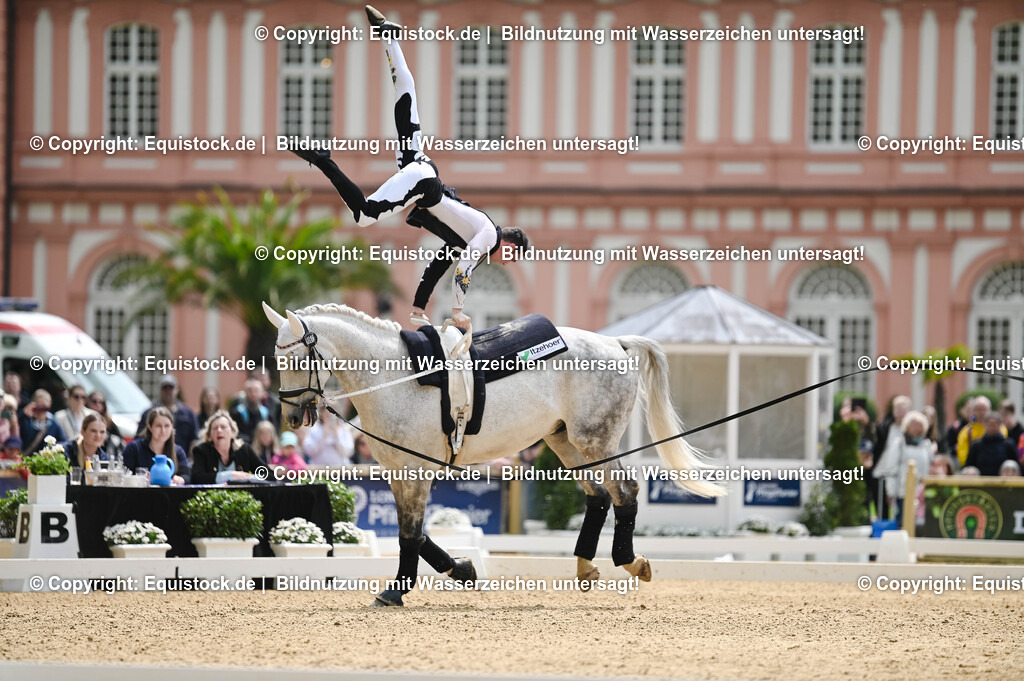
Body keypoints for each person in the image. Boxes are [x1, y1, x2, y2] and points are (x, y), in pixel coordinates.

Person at [292, 5, 530, 330]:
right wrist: (457, 310)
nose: (507, 262)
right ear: (511, 245)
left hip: (422, 170)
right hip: (424, 183)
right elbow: (463, 269)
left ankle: (389, 37)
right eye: (513, 257)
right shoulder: (488, 235)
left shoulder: (468, 238)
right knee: (363, 215)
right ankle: (323, 160)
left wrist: (418, 308)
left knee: (406, 98)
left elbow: (437, 267)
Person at [873, 410, 934, 527]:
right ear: (907, 427)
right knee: (903, 523)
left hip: (922, 493)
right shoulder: (899, 443)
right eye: (915, 425)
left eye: (920, 426)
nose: (918, 429)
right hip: (903, 492)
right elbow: (891, 470)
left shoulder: (926, 445)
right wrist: (890, 492)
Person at [190, 410, 264, 484]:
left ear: (233, 432)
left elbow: (267, 473)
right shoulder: (201, 451)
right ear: (209, 436)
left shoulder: (244, 450)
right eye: (215, 428)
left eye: (223, 427)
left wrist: (249, 477)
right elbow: (196, 478)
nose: (219, 430)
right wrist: (230, 475)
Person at [123, 407, 189, 485]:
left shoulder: (178, 451)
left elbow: (186, 476)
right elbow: (124, 474)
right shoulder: (134, 448)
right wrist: (141, 479)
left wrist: (180, 479)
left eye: (167, 426)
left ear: (172, 427)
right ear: (150, 427)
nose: (163, 430)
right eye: (158, 426)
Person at [136, 375, 198, 454]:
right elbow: (139, 438)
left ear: (177, 390)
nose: (168, 391)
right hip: (155, 456)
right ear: (160, 390)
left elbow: (195, 438)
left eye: (171, 388)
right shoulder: (149, 413)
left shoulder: (188, 413)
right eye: (165, 388)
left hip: (181, 455)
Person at [956, 397, 1006, 467]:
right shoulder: (966, 431)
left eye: (984, 409)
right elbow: (963, 456)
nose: (981, 413)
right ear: (973, 411)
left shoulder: (1001, 428)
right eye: (978, 409)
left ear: (990, 410)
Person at [18, 389, 66, 455]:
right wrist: (23, 414)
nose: (41, 409)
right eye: (38, 404)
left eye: (44, 406)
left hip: (46, 459)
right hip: (26, 458)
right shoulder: (25, 420)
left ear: (50, 404)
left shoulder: (53, 424)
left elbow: (63, 442)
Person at [229, 377, 270, 444]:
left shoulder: (266, 413)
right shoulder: (237, 413)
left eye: (256, 390)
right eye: (250, 390)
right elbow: (234, 433)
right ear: (245, 392)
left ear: (262, 393)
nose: (253, 394)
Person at [86, 390, 126, 458]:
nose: (98, 404)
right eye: (94, 401)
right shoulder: (83, 418)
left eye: (101, 402)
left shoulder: (109, 423)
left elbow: (120, 440)